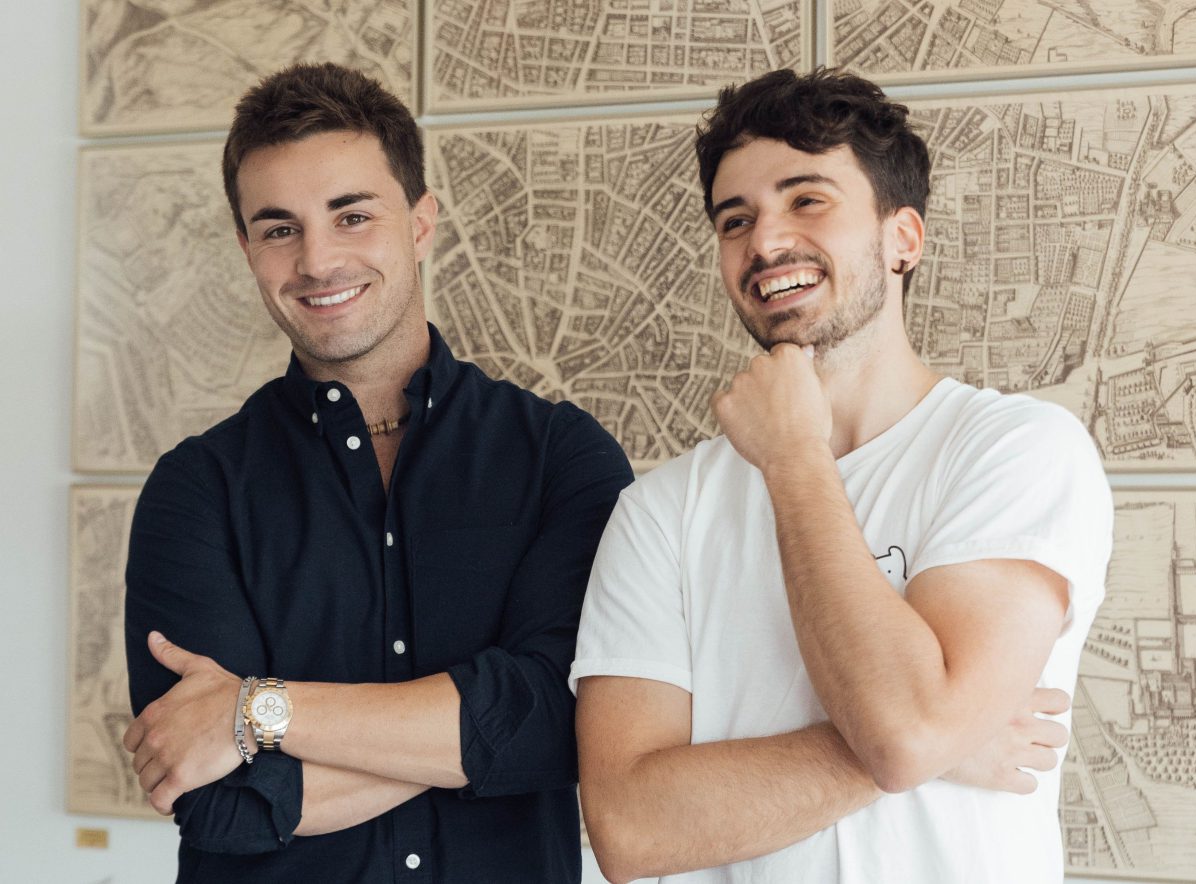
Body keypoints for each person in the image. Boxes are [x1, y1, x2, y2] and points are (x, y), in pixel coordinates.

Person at [571, 67, 1112, 883]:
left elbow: (909, 733)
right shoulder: (661, 510)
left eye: (807, 200)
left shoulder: (1017, 451)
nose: (764, 242)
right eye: (735, 219)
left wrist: (794, 458)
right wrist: (939, 742)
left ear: (904, 239)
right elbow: (630, 827)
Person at [122, 62, 632, 883]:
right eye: (279, 229)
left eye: (352, 215)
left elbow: (566, 728)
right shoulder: (196, 490)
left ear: (421, 224)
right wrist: (477, 736)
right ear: (247, 248)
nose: (317, 260)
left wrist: (254, 712)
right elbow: (215, 801)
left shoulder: (561, 457)